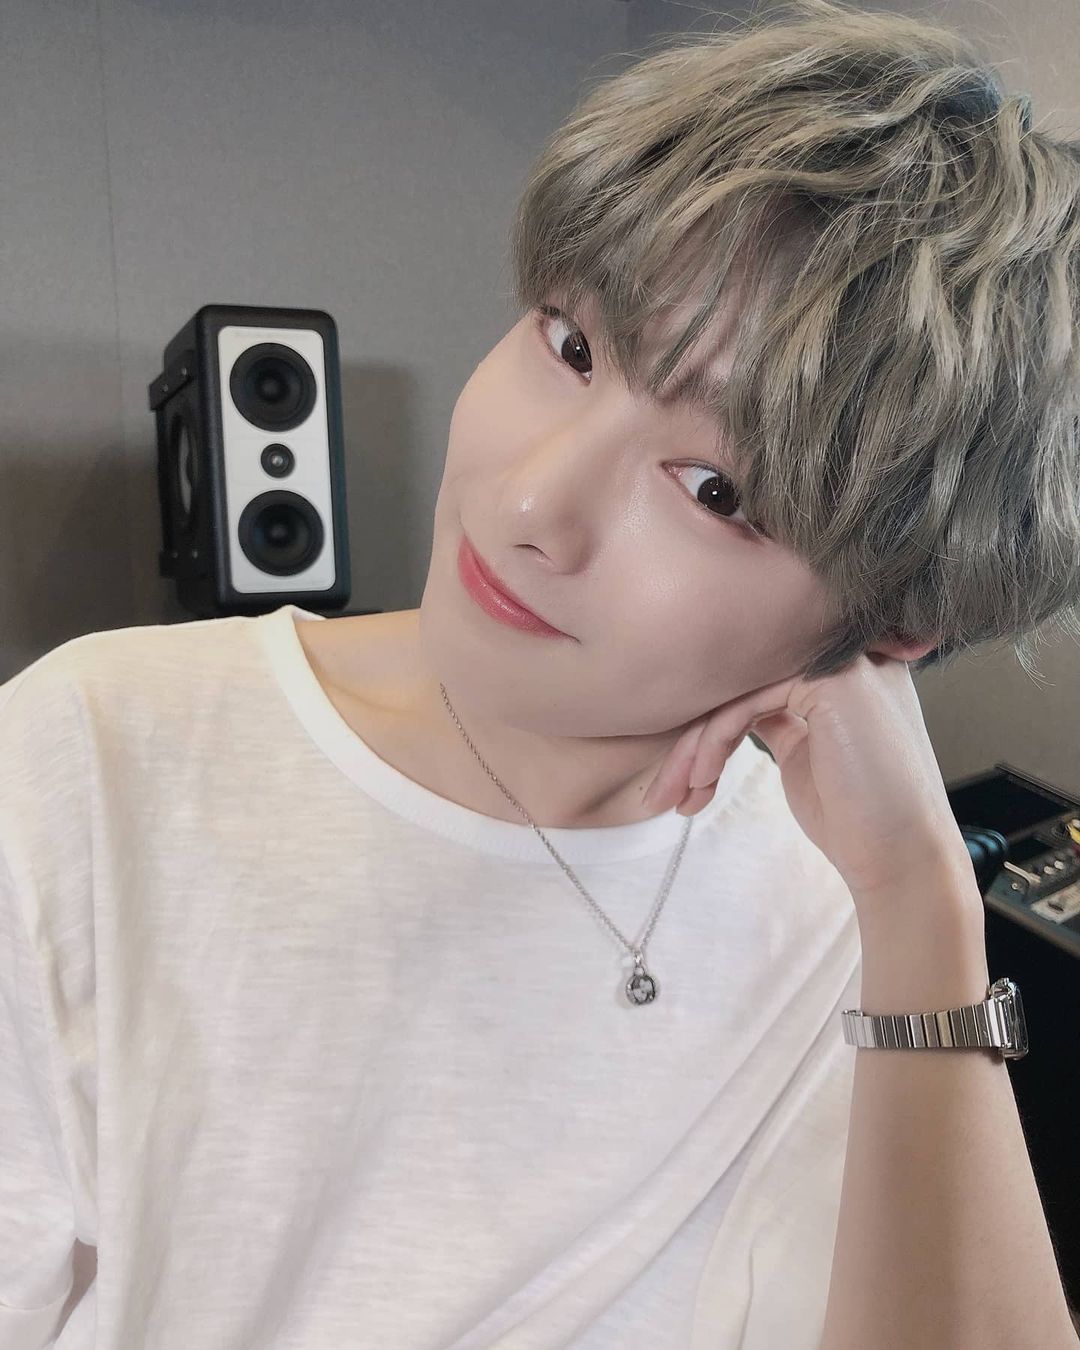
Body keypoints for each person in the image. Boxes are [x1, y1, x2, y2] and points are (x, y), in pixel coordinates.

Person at [3, 1, 1079, 1346]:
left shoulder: (843, 913)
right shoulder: (89, 763)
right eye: (571, 346)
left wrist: (922, 905)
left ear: (889, 625)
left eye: (716, 488)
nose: (527, 502)